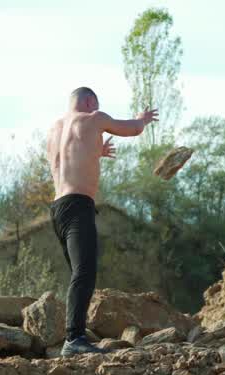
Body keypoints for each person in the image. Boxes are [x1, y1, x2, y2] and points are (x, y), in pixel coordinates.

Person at [46, 87, 158, 356]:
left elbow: (69, 162)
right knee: (84, 272)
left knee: (78, 273)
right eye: (96, 103)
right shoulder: (94, 118)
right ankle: (74, 339)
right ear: (89, 101)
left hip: (57, 209)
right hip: (78, 206)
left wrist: (96, 152)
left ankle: (75, 336)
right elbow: (131, 129)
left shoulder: (54, 130)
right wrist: (142, 119)